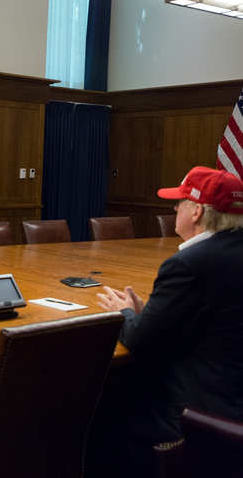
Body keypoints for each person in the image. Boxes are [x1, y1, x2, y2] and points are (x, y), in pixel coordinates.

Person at [96, 166, 243, 475]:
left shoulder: (188, 264)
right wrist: (151, 312)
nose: (175, 208)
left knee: (99, 403)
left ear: (197, 211)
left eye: (180, 202)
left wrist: (124, 313)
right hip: (233, 391)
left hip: (201, 411)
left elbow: (138, 340)